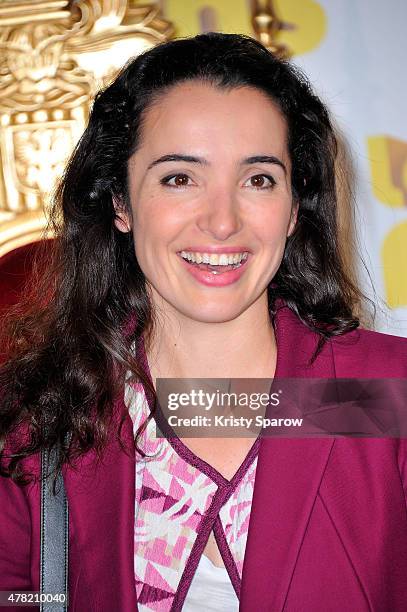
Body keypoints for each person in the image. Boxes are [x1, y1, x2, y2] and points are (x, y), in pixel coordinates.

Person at [0, 32, 406, 612]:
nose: (222, 222)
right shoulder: (42, 415)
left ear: (294, 209)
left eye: (258, 179)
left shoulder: (382, 395)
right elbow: (19, 596)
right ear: (120, 201)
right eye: (179, 178)